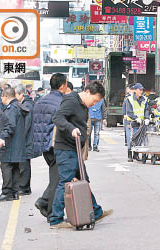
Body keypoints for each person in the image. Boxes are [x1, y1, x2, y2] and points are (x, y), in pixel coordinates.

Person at [50, 81, 112, 229]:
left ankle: (96, 212)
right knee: (65, 182)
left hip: (75, 149)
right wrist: (71, 128)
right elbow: (57, 118)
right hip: (66, 149)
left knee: (84, 179)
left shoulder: (83, 105)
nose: (94, 104)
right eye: (95, 100)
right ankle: (56, 219)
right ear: (88, 92)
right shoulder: (71, 101)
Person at [33, 73, 68, 220]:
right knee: (58, 179)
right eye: (66, 84)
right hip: (55, 145)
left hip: (42, 145)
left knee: (56, 177)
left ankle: (45, 203)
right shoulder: (61, 102)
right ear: (62, 86)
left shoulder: (41, 101)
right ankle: (50, 211)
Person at [0, 88, 28, 201]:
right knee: (15, 167)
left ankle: (7, 192)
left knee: (6, 166)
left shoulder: (12, 108)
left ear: (5, 96)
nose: (1, 99)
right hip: (16, 144)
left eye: (2, 97)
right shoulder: (18, 107)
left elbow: (10, 125)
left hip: (10, 144)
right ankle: (14, 192)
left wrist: (2, 137)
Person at [15, 84, 35, 195]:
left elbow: (26, 125)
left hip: (26, 139)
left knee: (24, 163)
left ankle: (25, 187)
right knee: (23, 162)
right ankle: (24, 186)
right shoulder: (23, 103)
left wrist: (21, 137)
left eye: (16, 94)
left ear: (21, 94)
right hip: (25, 139)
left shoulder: (27, 105)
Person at [126, 83, 149, 162]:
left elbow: (146, 110)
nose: (141, 91)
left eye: (142, 90)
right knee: (131, 139)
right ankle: (129, 155)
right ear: (135, 90)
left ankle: (136, 155)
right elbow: (129, 112)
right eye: (139, 90)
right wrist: (136, 118)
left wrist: (146, 118)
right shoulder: (129, 99)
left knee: (139, 139)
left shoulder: (144, 99)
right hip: (131, 122)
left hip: (141, 123)